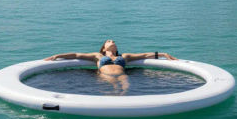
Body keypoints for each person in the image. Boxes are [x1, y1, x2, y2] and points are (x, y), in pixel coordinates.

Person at [44, 39, 178, 94]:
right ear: (104, 47)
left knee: (124, 93)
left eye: (113, 41)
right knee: (111, 95)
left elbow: (143, 55)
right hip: (104, 77)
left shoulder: (124, 56)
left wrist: (163, 54)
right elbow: (76, 55)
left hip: (122, 76)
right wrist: (57, 56)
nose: (112, 41)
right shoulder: (98, 56)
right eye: (109, 41)